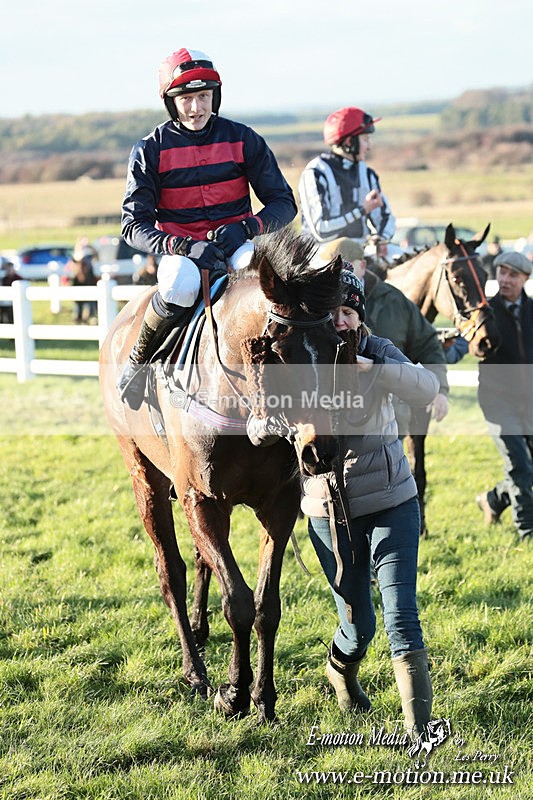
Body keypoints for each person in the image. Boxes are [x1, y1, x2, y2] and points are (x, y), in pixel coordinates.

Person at [248, 269, 439, 738]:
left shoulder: (376, 350)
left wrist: (375, 370)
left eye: (347, 312)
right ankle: (340, 671)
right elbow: (255, 430)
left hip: (393, 501)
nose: (339, 322)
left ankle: (420, 735)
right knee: (359, 626)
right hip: (329, 515)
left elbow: (427, 387)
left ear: (359, 316)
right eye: (329, 314)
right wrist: (280, 420)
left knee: (402, 615)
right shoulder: (296, 361)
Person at [119, 48, 297, 409]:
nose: (197, 108)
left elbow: (283, 203)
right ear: (171, 102)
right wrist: (181, 246)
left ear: (215, 95)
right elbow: (132, 224)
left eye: (203, 97)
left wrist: (248, 227)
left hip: (237, 244)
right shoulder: (149, 150)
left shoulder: (245, 139)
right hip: (182, 254)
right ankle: (138, 363)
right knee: (179, 284)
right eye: (186, 99)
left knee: (261, 278)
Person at [320, 239, 449, 432]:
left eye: (345, 266)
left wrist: (441, 391)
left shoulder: (395, 302)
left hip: (391, 423)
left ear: (362, 266)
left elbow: (427, 344)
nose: (336, 272)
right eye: (328, 269)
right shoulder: (313, 315)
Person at [476, 250, 533, 541]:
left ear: (525, 278)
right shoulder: (486, 313)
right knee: (519, 465)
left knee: (528, 470)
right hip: (498, 402)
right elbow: (470, 344)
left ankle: (493, 499)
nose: (505, 279)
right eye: (501, 272)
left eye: (513, 274)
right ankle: (527, 531)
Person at [298, 107, 395, 261]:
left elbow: (385, 216)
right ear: (350, 141)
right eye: (365, 140)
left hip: (360, 254)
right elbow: (321, 231)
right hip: (320, 258)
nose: (369, 146)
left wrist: (381, 238)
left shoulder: (368, 174)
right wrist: (362, 210)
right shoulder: (315, 173)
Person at [70, 253, 98, 324]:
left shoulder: (88, 269)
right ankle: (79, 319)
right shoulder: (76, 273)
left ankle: (90, 317)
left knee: (90, 306)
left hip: (89, 292)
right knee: (79, 307)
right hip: (79, 293)